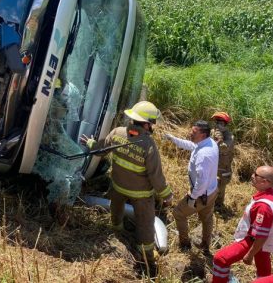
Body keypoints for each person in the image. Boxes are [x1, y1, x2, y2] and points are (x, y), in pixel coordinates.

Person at [81, 101, 173, 275]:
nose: (152, 126)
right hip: (141, 194)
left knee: (116, 210)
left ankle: (117, 230)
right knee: (146, 223)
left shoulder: (118, 133)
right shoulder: (148, 145)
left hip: (118, 186)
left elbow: (101, 150)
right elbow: (156, 176)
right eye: (151, 123)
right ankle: (146, 257)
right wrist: (166, 195)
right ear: (146, 124)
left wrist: (91, 143)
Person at [212, 166, 273, 282]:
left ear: (265, 182)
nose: (252, 176)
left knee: (220, 259)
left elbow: (261, 236)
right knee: (263, 269)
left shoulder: (263, 207)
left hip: (254, 240)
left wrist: (250, 254)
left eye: (255, 175)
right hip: (266, 239)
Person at [165, 120, 219, 253]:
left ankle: (185, 244)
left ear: (203, 134)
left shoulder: (204, 155)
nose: (190, 133)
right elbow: (191, 146)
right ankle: (206, 245)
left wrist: (193, 197)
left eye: (194, 132)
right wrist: (173, 139)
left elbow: (202, 181)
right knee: (207, 218)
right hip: (212, 191)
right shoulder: (208, 143)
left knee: (178, 213)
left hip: (201, 195)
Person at [211, 111, 235, 208]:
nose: (218, 125)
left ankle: (219, 206)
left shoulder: (229, 136)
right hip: (212, 164)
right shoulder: (213, 132)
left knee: (220, 187)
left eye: (220, 123)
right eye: (217, 122)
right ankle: (209, 203)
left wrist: (219, 140)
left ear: (225, 124)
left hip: (222, 167)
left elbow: (224, 148)